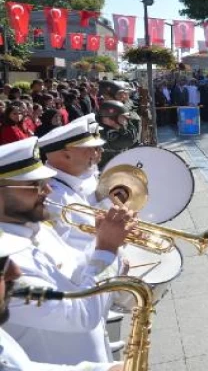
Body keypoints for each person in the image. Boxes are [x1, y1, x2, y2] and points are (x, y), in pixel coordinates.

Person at [0, 137, 134, 365]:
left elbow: (75, 274)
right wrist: (107, 249)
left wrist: (102, 240)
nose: (48, 190)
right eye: (35, 185)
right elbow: (80, 314)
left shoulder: (37, 228)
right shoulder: (6, 263)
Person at [0, 230, 124, 370]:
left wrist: (103, 245)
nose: (16, 272)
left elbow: (76, 283)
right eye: (1, 264)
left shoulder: (40, 232)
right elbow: (82, 315)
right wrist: (107, 251)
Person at [39, 114, 106, 250]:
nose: (95, 154)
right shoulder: (53, 195)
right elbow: (64, 252)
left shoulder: (72, 180)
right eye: (90, 149)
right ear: (66, 155)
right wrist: (109, 241)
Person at [97, 101, 139, 169]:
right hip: (108, 170)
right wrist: (117, 126)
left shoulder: (113, 127)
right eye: (121, 117)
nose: (124, 119)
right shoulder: (105, 132)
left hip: (118, 166)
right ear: (110, 119)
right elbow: (129, 140)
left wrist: (126, 124)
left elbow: (134, 134)